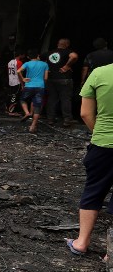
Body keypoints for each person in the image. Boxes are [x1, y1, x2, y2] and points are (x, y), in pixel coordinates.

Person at [66, 62, 113, 257]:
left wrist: (100, 133)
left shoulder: (100, 73)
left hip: (103, 144)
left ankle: (81, 242)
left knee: (93, 190)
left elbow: (85, 113)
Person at [46, 38, 79, 126]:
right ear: (67, 45)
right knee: (65, 99)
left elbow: (37, 58)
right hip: (64, 79)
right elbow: (74, 56)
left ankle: (50, 119)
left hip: (51, 79)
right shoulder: (67, 51)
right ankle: (67, 120)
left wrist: (46, 69)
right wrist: (67, 66)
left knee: (52, 99)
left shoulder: (49, 53)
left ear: (58, 44)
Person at [18, 49, 49, 133]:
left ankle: (27, 112)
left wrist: (23, 79)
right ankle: (33, 126)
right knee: (37, 106)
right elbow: (46, 78)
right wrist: (43, 84)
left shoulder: (27, 63)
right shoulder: (45, 64)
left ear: (28, 57)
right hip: (40, 86)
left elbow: (18, 71)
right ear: (38, 55)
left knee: (22, 99)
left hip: (29, 85)